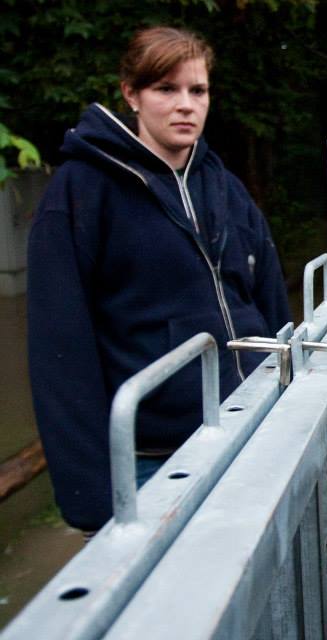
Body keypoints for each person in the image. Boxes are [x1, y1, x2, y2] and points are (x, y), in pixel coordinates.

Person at [28, 26, 291, 534]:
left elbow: (270, 299)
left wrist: (286, 390)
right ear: (132, 93)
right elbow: (60, 351)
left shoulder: (223, 185)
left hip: (251, 428)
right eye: (166, 89)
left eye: (198, 90)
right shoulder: (81, 192)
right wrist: (90, 499)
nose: (186, 105)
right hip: (158, 459)